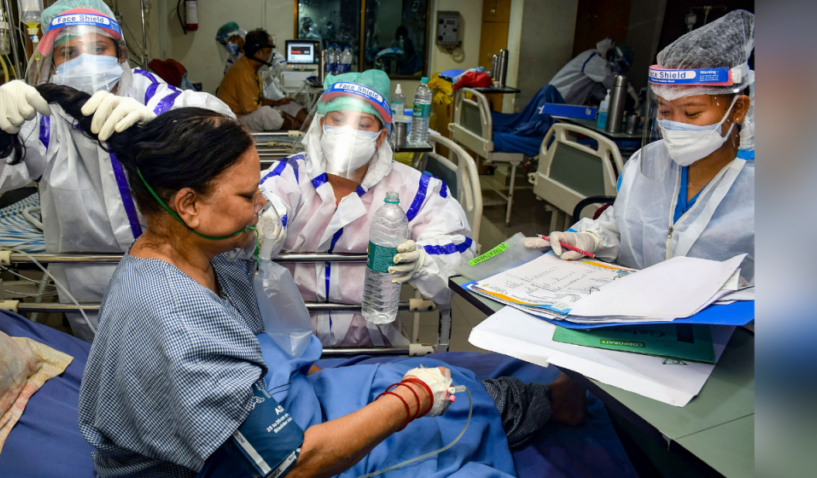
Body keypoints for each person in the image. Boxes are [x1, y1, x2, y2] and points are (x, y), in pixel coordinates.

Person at [71, 101, 588, 477]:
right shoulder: (177, 324)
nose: (260, 209)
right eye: (250, 195)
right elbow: (293, 467)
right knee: (435, 417)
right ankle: (540, 408)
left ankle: (533, 402)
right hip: (240, 465)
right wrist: (408, 402)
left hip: (271, 397)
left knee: (430, 377)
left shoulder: (198, 249)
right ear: (187, 206)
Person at [0, 0, 233, 341]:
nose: (84, 60)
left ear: (120, 54)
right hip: (92, 296)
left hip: (183, 286)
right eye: (68, 51)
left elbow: (224, 137)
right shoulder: (46, 119)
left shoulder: (156, 102)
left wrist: (170, 133)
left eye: (98, 47)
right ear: (52, 62)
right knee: (112, 376)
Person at [527, 10, 755, 283]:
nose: (676, 125)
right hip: (633, 311)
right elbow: (623, 228)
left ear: (738, 109)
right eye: (665, 111)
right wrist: (591, 238)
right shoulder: (646, 163)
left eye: (692, 113)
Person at [258, 70, 473, 348]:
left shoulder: (412, 188)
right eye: (339, 120)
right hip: (289, 342)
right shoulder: (290, 175)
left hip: (369, 345)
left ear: (381, 136)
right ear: (322, 125)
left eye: (363, 124)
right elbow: (265, 202)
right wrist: (265, 224)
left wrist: (423, 261)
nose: (349, 132)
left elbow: (460, 247)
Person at [218, 29, 307, 131]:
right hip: (236, 119)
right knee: (266, 113)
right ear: (259, 53)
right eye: (269, 51)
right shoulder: (243, 72)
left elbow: (256, 100)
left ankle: (310, 126)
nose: (271, 56)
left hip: (247, 113)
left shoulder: (252, 69)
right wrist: (279, 113)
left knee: (288, 104)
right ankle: (301, 131)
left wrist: (276, 103)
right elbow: (249, 109)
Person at [548, 38, 634, 106]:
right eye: (621, 65)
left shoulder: (597, 76)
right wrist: (630, 91)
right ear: (615, 57)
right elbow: (611, 80)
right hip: (553, 98)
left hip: (563, 105)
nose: (619, 69)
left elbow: (599, 94)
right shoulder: (594, 58)